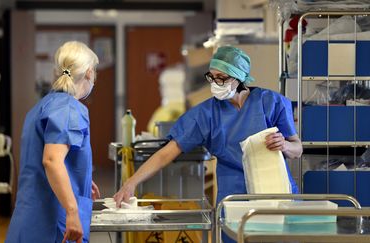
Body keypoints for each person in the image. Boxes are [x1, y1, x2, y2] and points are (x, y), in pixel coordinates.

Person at [113, 46, 302, 242]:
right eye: (211, 77)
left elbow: (297, 149)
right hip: (234, 199)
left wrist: (285, 146)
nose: (215, 83)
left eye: (221, 77)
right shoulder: (206, 114)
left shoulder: (271, 102)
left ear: (238, 77)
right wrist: (131, 183)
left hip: (276, 195)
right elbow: (166, 153)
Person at [6, 41, 101, 243]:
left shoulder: (42, 106)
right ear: (89, 73)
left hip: (29, 220)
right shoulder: (69, 108)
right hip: (51, 225)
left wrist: (79, 178)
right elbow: (51, 160)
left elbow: (51, 156)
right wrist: (72, 211)